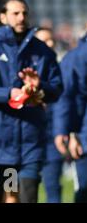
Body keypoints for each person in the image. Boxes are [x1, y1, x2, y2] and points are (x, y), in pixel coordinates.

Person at [0, 0, 63, 203]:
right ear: (2, 16)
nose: (21, 18)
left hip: (29, 143)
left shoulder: (42, 51)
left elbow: (57, 89)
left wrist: (39, 87)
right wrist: (8, 94)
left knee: (27, 197)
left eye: (25, 13)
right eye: (16, 13)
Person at [54, 25, 87, 203]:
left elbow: (67, 98)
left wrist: (65, 131)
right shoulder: (76, 58)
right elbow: (67, 98)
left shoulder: (74, 57)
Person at [34, 27, 67, 203]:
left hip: (52, 141)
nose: (50, 44)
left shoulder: (61, 71)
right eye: (44, 41)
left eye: (51, 40)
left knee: (53, 188)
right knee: (20, 190)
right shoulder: (21, 71)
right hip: (26, 142)